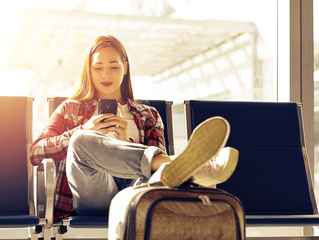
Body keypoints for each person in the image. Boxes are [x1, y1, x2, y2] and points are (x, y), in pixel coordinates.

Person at [30, 35, 238, 222]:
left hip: (135, 194)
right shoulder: (70, 109)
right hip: (93, 198)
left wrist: (125, 144)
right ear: (89, 70)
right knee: (80, 140)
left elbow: (156, 176)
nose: (105, 75)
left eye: (114, 67)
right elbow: (36, 152)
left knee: (160, 173)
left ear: (125, 68)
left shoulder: (149, 114)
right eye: (98, 68)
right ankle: (192, 169)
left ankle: (183, 168)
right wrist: (83, 128)